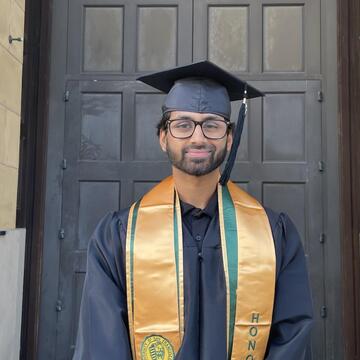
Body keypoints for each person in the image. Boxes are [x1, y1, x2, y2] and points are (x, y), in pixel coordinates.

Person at [73, 61, 313, 360]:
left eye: (212, 125)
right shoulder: (118, 238)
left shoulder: (273, 234)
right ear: (163, 137)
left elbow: (290, 338)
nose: (198, 137)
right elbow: (102, 346)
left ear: (228, 138)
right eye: (183, 125)